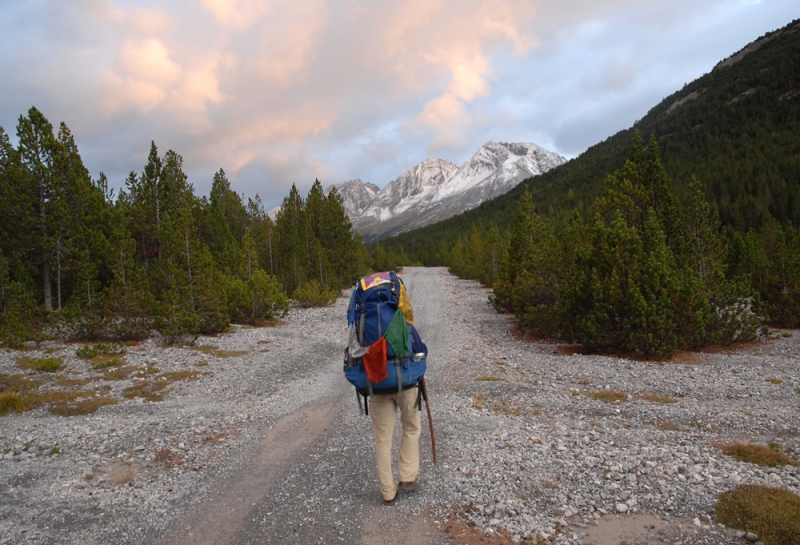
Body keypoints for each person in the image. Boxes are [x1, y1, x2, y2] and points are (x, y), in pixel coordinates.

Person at [369, 385, 423, 505]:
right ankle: (407, 476)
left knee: (382, 441)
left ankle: (388, 493)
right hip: (406, 385)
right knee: (411, 429)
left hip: (377, 388)